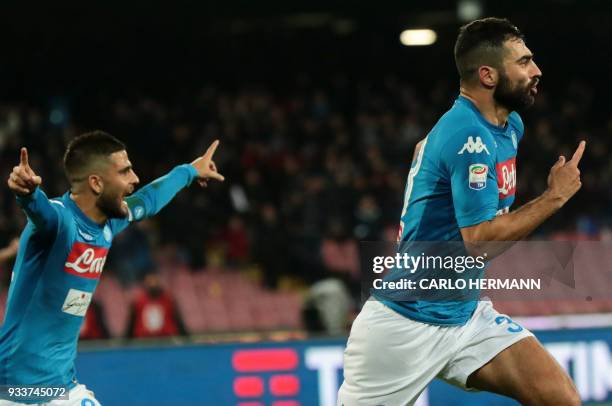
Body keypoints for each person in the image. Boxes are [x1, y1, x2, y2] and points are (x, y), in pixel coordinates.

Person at [338, 17, 584, 406]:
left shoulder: (508, 125)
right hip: (403, 325)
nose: (536, 71)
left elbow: (433, 151)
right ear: (488, 75)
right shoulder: (467, 135)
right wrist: (555, 198)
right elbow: (480, 242)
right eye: (523, 62)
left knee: (560, 398)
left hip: (465, 318)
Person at [1, 131, 224, 405]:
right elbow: (41, 213)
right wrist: (28, 195)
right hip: (16, 392)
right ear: (96, 183)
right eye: (125, 171)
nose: (134, 179)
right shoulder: (60, 222)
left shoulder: (108, 222)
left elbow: (149, 200)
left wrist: (189, 170)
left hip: (61, 388)